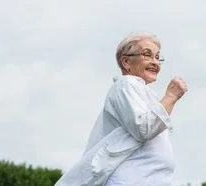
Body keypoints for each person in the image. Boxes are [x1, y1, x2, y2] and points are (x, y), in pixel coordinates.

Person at [55, 32, 188, 186]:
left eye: (157, 57)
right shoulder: (126, 84)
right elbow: (144, 128)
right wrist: (171, 96)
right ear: (126, 62)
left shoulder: (142, 91)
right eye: (147, 55)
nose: (155, 62)